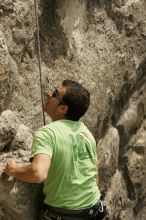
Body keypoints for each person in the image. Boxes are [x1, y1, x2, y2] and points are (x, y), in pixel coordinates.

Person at [4, 80, 104, 220]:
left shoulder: (47, 133)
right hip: (94, 209)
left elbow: (37, 174)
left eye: (55, 93)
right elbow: (95, 174)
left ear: (63, 108)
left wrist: (13, 169)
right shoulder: (86, 132)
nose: (49, 94)